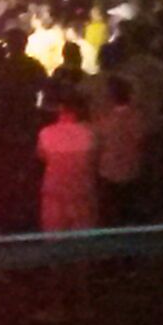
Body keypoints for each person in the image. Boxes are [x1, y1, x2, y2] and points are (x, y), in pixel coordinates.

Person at [0, 28, 48, 233]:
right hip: (24, 127)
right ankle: (19, 214)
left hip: (0, 129)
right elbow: (45, 90)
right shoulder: (34, 66)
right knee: (21, 173)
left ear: (9, 45)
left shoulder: (2, 69)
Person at [38, 91, 98, 233]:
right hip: (82, 190)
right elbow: (94, 159)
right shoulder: (89, 133)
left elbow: (42, 156)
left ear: (60, 109)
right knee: (83, 234)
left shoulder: (46, 133)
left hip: (55, 191)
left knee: (54, 233)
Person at [94, 77, 145, 227]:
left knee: (111, 211)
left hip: (109, 171)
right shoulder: (137, 117)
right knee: (128, 209)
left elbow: (98, 143)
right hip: (132, 169)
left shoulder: (106, 120)